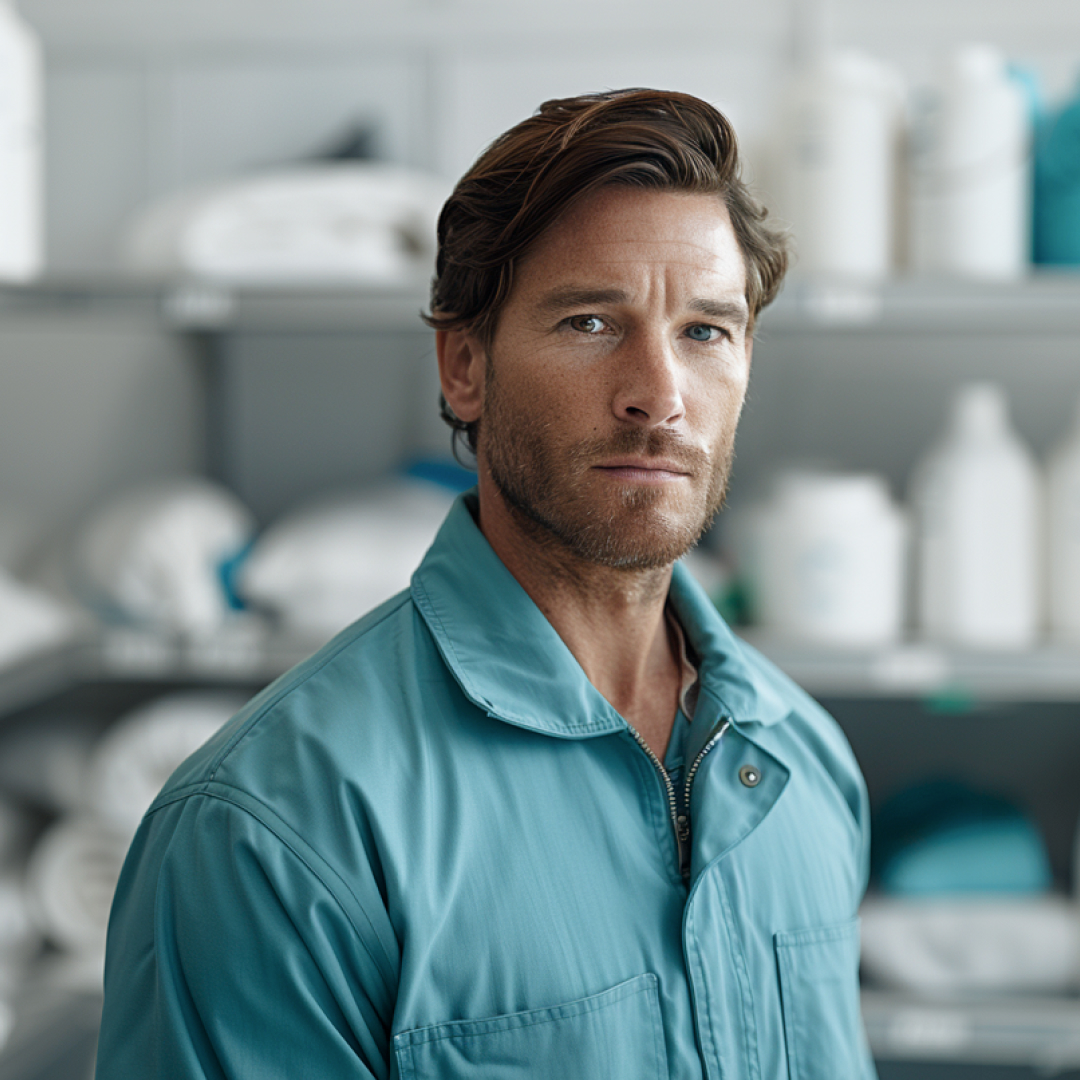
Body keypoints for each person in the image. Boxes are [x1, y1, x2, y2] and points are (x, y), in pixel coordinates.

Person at [96, 88, 876, 1080]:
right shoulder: (274, 833)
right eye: (593, 321)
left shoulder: (806, 767)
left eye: (706, 331)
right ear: (464, 365)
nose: (659, 394)